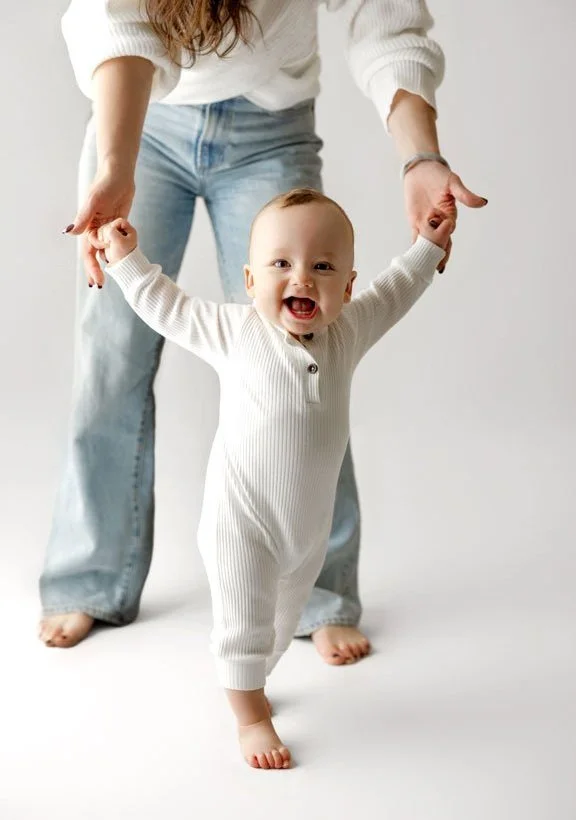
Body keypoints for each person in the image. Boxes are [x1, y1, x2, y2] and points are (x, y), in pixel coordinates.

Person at [39, 0, 487, 654]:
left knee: (307, 360)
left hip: (270, 126)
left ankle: (323, 593)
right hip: (140, 116)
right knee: (111, 354)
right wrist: (117, 161)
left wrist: (420, 156)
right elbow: (115, 15)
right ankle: (89, 577)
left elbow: (382, 12)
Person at [93, 187, 454, 768]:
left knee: (280, 630)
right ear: (251, 280)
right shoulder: (235, 332)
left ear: (348, 285)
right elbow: (169, 307)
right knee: (243, 626)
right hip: (241, 520)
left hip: (305, 531)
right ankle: (250, 717)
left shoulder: (349, 333)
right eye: (281, 264)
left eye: (323, 265)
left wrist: (428, 245)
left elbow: (396, 292)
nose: (302, 277)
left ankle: (258, 676)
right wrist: (126, 260)